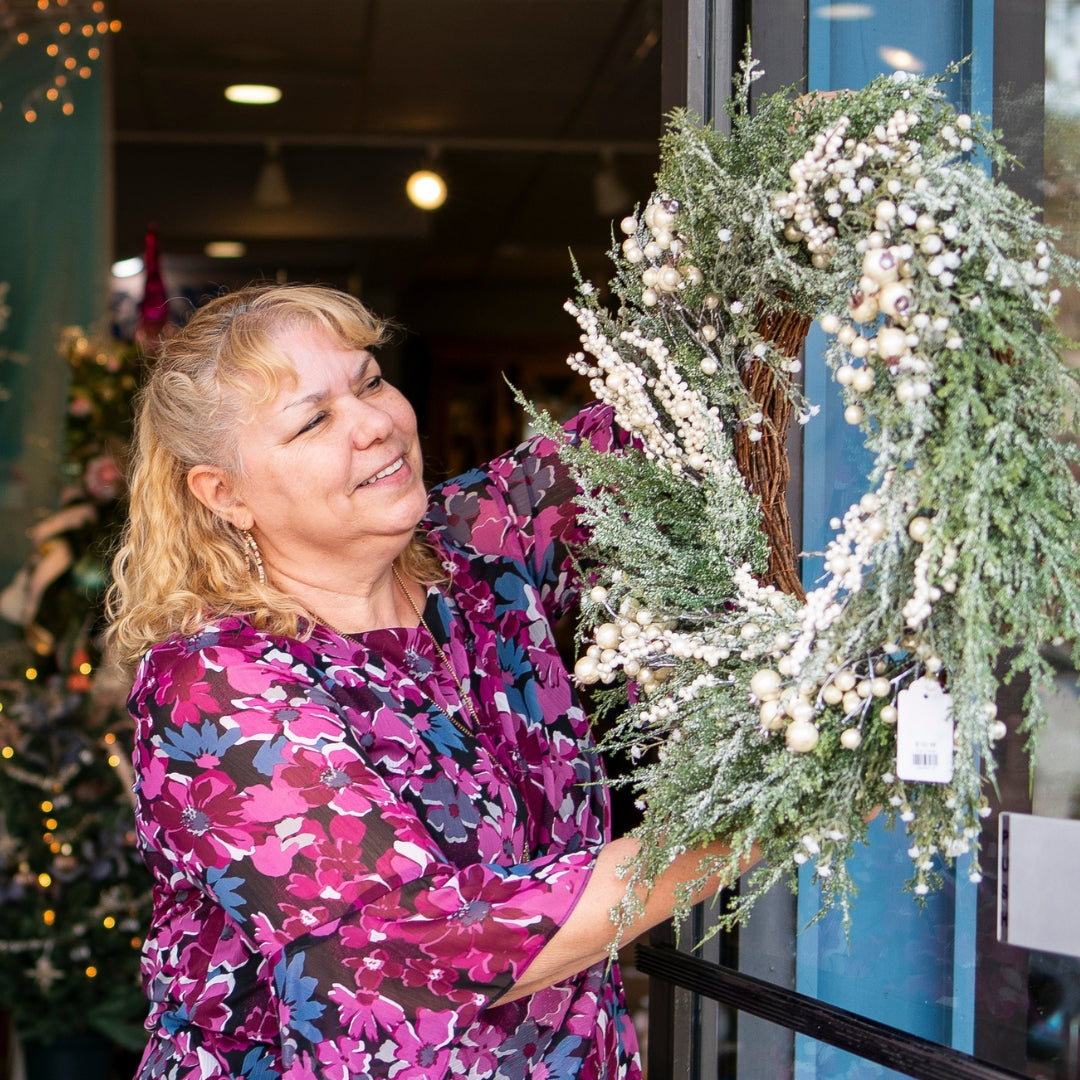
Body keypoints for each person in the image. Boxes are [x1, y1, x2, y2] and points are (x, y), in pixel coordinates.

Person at [106, 283, 739, 1080]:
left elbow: (655, 420)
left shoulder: (474, 548)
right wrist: (747, 818)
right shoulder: (214, 681)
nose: (375, 424)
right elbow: (411, 948)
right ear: (224, 493)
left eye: (369, 381)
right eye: (314, 420)